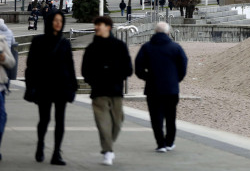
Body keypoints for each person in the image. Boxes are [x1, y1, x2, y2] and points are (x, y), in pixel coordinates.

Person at [25, 10, 78, 166]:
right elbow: (31, 66)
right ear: (50, 22)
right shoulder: (38, 41)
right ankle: (41, 143)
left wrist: (73, 86)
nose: (58, 23)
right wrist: (31, 86)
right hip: (44, 86)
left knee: (60, 121)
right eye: (55, 20)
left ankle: (56, 152)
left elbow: (70, 65)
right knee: (44, 119)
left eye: (61, 20)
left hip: (61, 86)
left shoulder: (64, 43)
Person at [82, 15, 133, 166]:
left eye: (100, 25)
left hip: (116, 90)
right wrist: (93, 80)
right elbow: (85, 70)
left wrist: (118, 75)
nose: (97, 27)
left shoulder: (119, 46)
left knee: (117, 122)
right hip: (98, 91)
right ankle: (108, 151)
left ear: (108, 27)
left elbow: (128, 68)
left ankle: (108, 145)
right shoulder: (91, 48)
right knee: (103, 122)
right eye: (96, 25)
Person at [135, 22, 188, 153]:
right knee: (171, 117)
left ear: (155, 32)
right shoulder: (175, 47)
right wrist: (176, 79)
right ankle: (169, 142)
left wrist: (147, 77)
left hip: (153, 88)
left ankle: (161, 144)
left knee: (156, 117)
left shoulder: (147, 47)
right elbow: (183, 65)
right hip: (171, 88)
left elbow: (138, 67)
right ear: (168, 33)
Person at [0, 27, 16, 161]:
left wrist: (3, 58)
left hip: (0, 86)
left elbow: (12, 62)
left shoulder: (2, 39)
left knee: (2, 118)